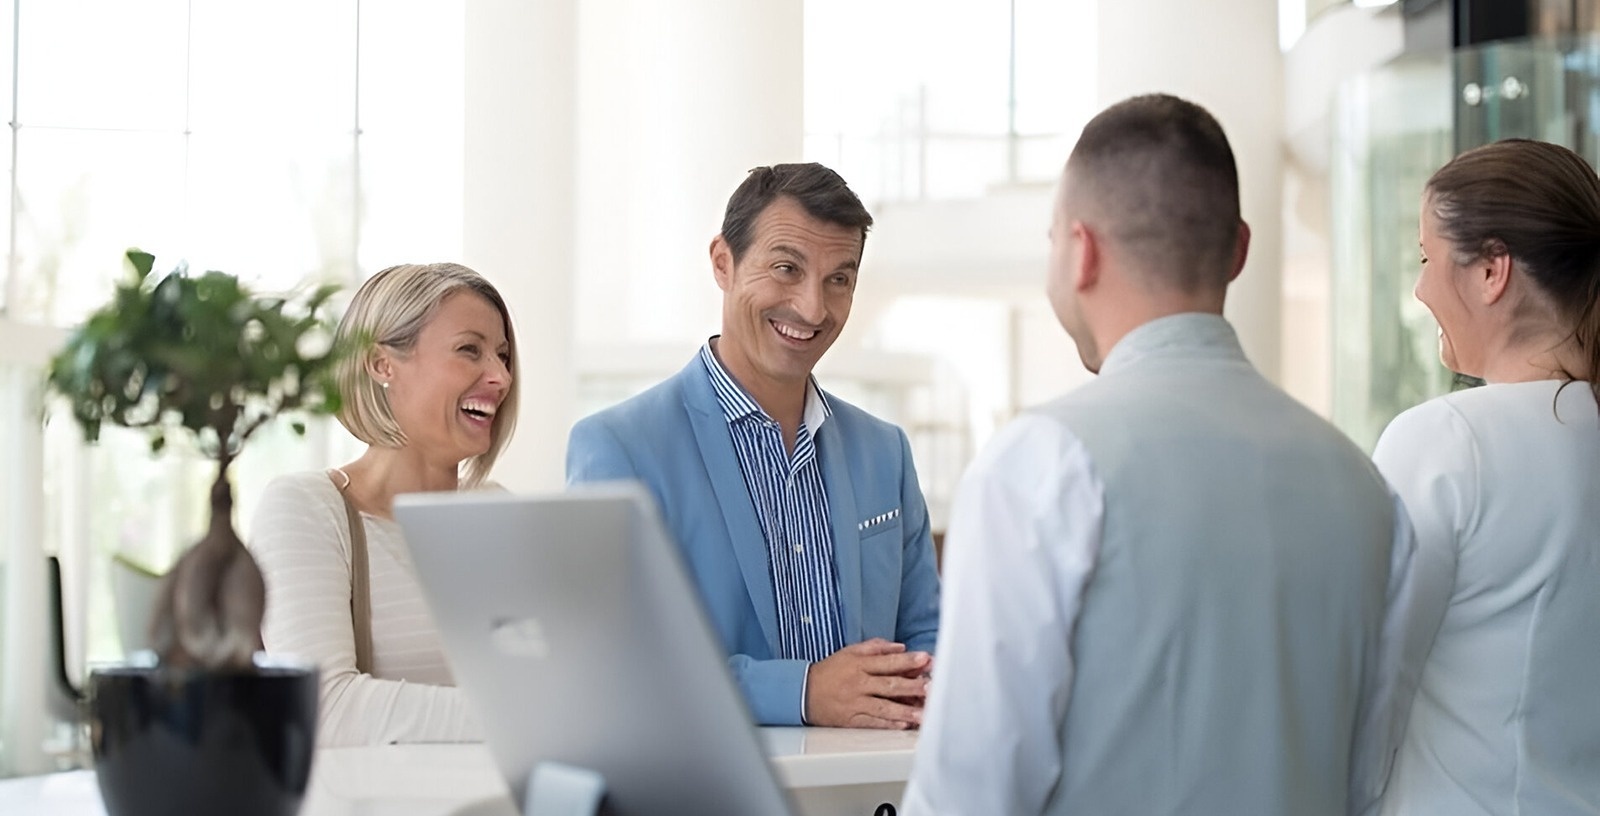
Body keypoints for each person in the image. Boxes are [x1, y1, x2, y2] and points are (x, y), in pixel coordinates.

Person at [901, 94, 1454, 815]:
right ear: (1241, 249)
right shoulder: (1363, 486)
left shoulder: (1041, 464)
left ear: (1080, 250)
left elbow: (968, 795)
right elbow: (1366, 780)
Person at [566, 162, 940, 729]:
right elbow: (617, 664)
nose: (813, 308)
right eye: (787, 269)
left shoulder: (884, 451)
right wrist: (803, 692)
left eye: (839, 279)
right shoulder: (618, 448)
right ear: (723, 262)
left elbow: (928, 634)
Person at [1371, 139, 1600, 814]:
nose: (1418, 288)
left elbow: (1373, 681)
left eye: (1426, 259)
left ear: (1492, 269)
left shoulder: (1447, 440)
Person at [250, 262, 519, 747]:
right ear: (381, 364)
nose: (499, 377)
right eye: (469, 350)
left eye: (502, 356)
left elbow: (550, 685)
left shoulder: (496, 510)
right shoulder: (307, 508)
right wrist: (529, 719)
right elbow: (326, 710)